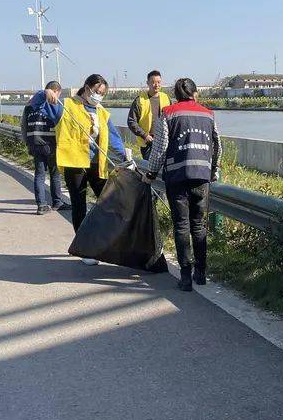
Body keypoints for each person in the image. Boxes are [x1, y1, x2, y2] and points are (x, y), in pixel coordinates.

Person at [145, 77, 221, 292]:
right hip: (201, 178)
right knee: (199, 226)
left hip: (177, 177)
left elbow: (160, 148)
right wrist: (213, 171)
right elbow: (218, 145)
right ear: (195, 93)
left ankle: (185, 277)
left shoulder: (168, 113)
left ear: (176, 96)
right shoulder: (209, 114)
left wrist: (150, 173)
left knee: (182, 226)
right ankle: (201, 273)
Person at [55, 74, 129, 262]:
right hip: (75, 163)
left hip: (98, 165)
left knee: (106, 202)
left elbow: (113, 138)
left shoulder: (102, 112)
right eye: (96, 92)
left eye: (102, 93)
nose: (98, 96)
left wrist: (126, 157)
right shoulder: (67, 105)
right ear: (87, 88)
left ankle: (105, 242)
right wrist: (46, 93)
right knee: (79, 205)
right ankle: (84, 249)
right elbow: (40, 104)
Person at [22, 80, 65, 215]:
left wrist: (27, 143)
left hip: (35, 144)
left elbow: (23, 126)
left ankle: (41, 205)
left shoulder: (29, 106)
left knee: (40, 175)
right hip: (50, 145)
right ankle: (57, 202)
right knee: (55, 175)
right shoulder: (54, 105)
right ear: (56, 91)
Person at [127, 70, 171, 161]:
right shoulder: (140, 100)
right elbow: (131, 121)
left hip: (164, 140)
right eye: (153, 82)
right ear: (148, 83)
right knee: (150, 168)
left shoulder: (166, 98)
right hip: (147, 142)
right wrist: (145, 135)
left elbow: (171, 118)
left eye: (158, 82)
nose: (156, 85)